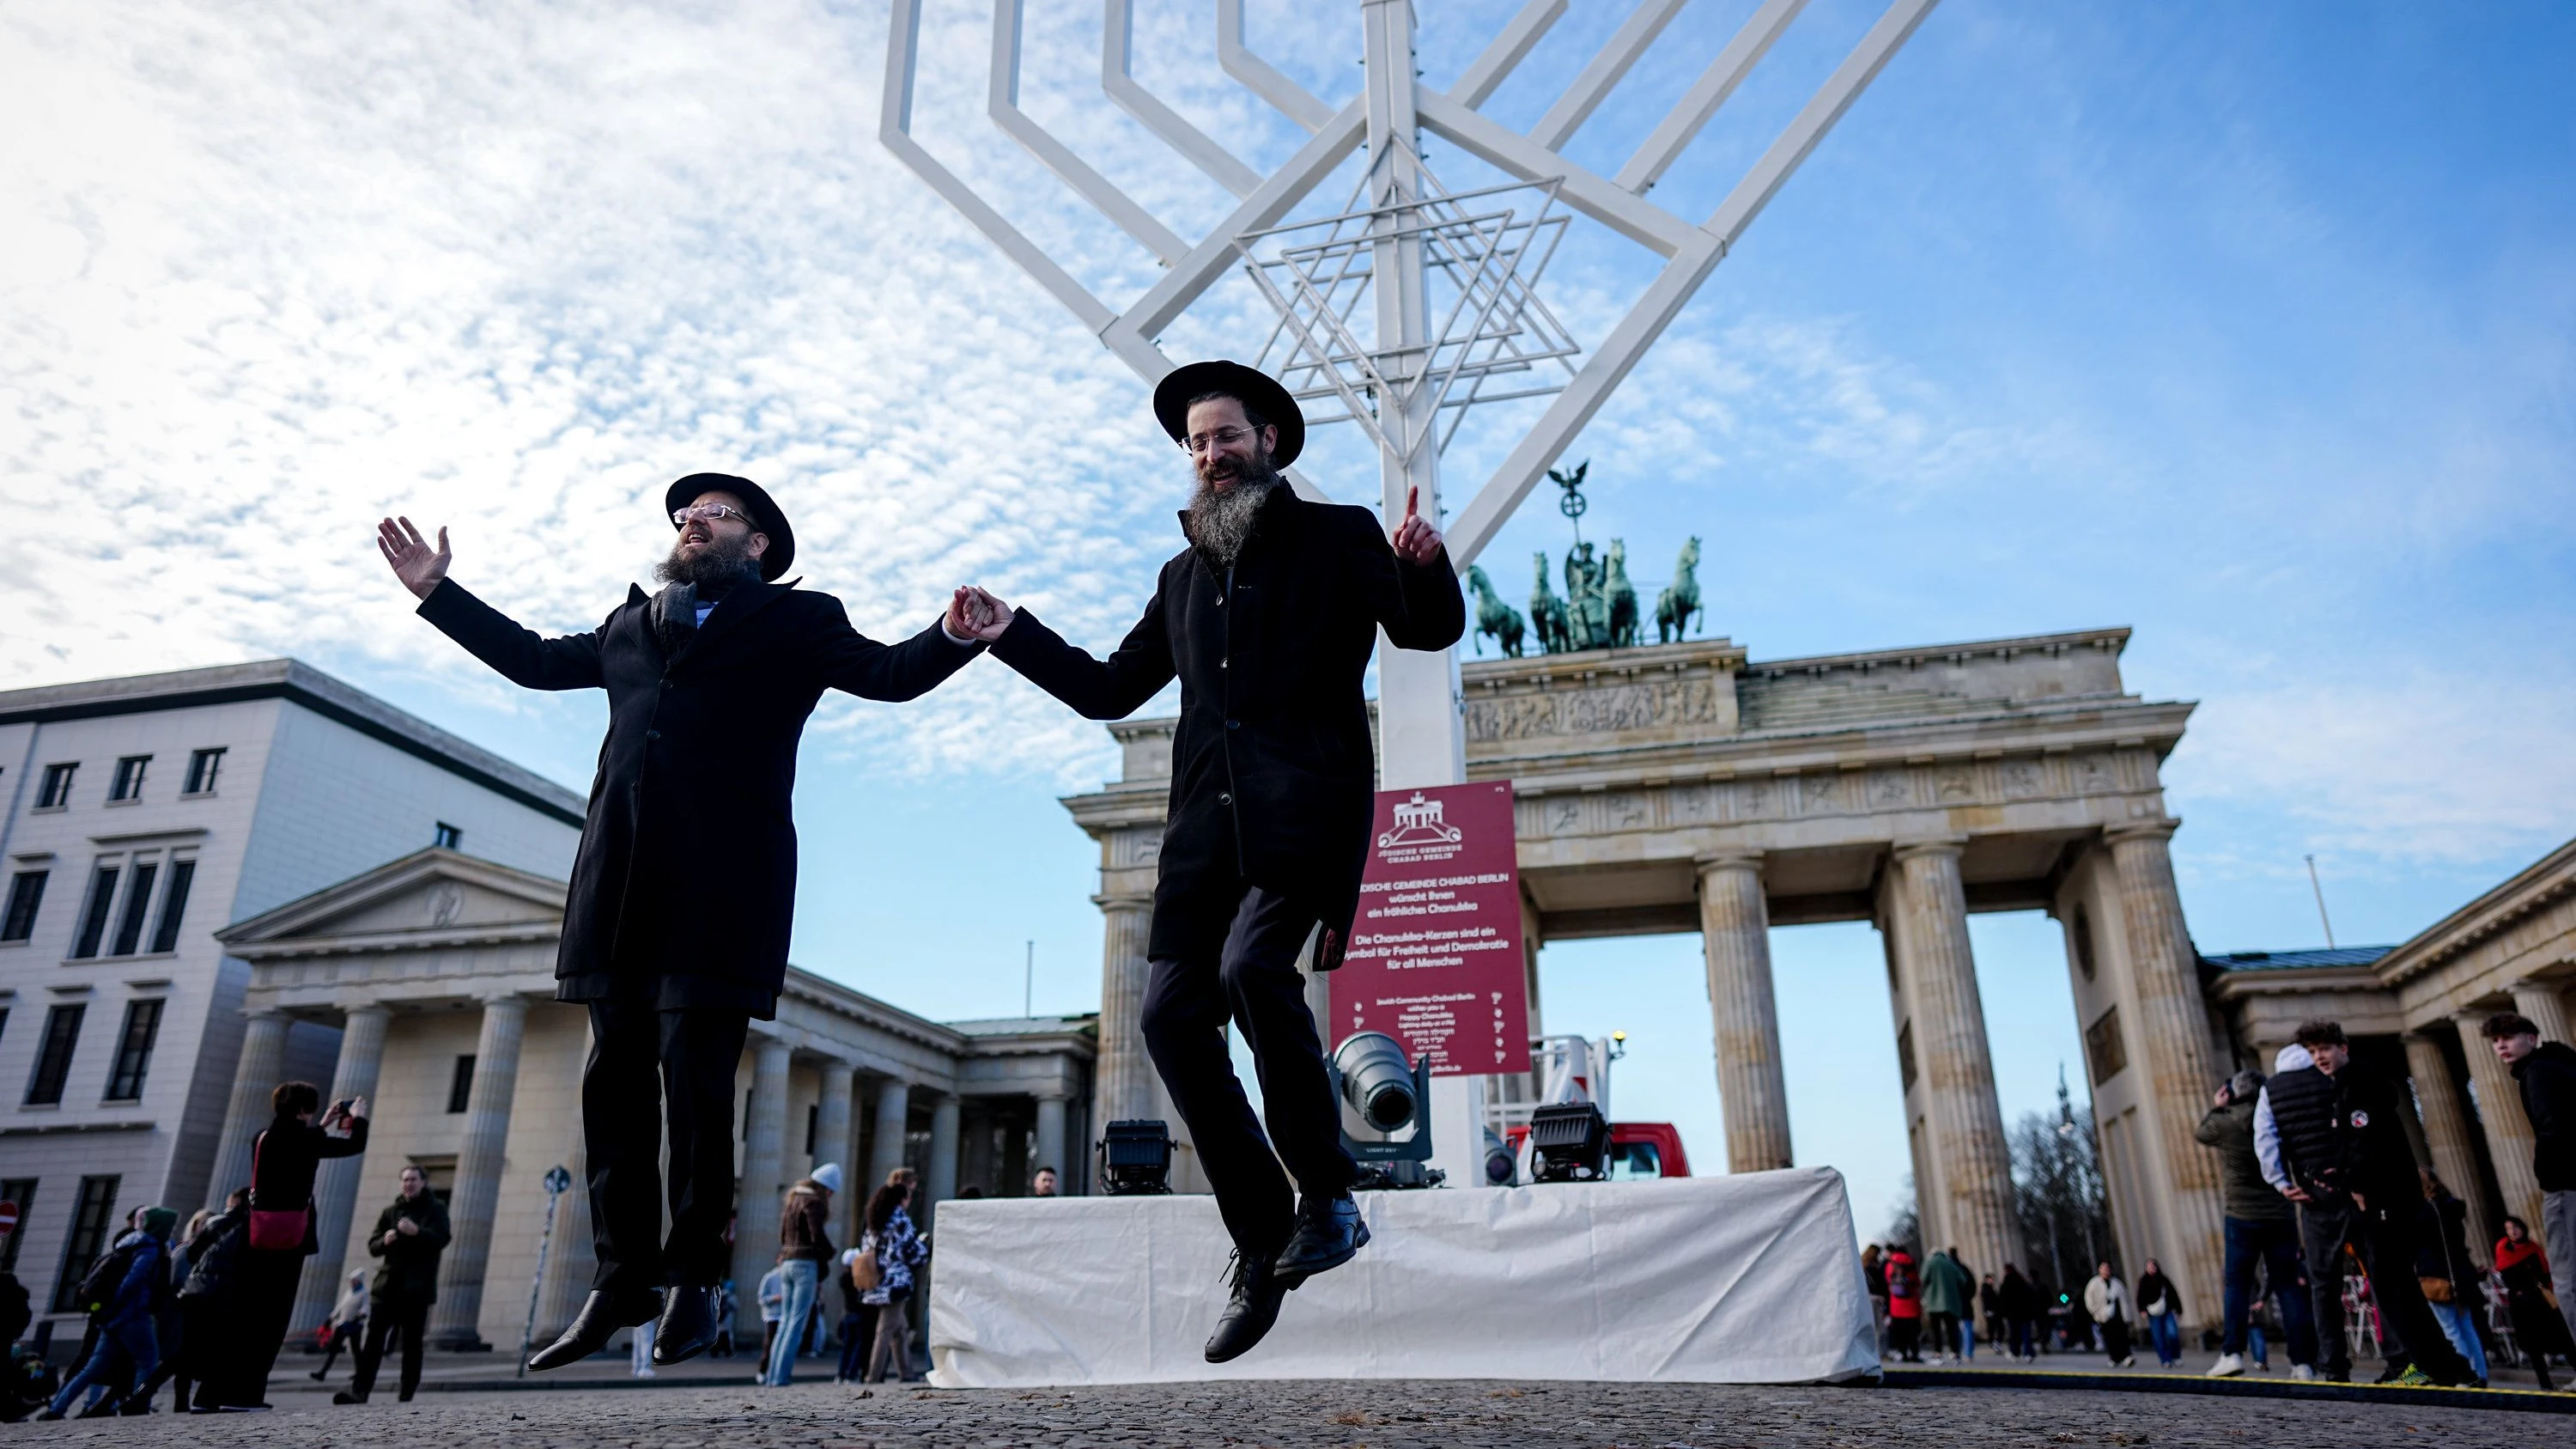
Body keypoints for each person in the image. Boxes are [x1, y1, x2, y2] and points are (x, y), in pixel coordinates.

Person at [380, 478, 985, 1372]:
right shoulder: (632, 625)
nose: (690, 523)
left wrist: (952, 639)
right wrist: (439, 592)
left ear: (759, 545)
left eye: (712, 515)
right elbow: (534, 659)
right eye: (683, 515)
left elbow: (888, 675)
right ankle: (622, 1277)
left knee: (697, 1081)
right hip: (617, 885)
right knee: (611, 1084)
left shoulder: (799, 621)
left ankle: (698, 1282)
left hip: (721, 887)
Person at [954, 360, 1463, 1363]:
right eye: (1195, 443)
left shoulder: (1339, 534)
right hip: (1202, 837)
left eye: (1225, 436)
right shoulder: (1181, 576)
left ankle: (1329, 1193)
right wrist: (1011, 635)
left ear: (1270, 439)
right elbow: (1108, 688)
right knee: (1167, 1015)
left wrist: (1423, 564)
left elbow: (1428, 629)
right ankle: (1265, 1231)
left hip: (1305, 814)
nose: (1209, 456)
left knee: (1252, 971)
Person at [2264, 1018, 2477, 1386]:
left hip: (2383, 1203)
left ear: (2343, 1048)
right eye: (2313, 1052)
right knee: (2396, 1289)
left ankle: (2429, 1366)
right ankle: (2443, 1366)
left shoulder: (2357, 1087)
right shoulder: (2343, 1087)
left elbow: (2366, 1148)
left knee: (2393, 1290)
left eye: (2325, 1050)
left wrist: (2349, 1182)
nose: (2320, 1058)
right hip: (2380, 1199)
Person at [208, 1083, 368, 1410]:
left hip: (256, 1236)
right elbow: (353, 1145)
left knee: (242, 1315)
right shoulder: (308, 1140)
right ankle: (247, 1394)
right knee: (272, 1318)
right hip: (288, 1237)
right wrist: (359, 1118)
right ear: (303, 1110)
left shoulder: (262, 1137)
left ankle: (211, 1394)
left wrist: (321, 1125)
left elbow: (296, 1142)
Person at [2198, 1066, 2318, 1379]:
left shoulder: (2225, 1123)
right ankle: (2302, 1362)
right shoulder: (2275, 1118)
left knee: (2237, 1287)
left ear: (2234, 1092)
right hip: (2280, 1213)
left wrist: (2218, 1105)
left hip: (2241, 1215)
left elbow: (2201, 1132)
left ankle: (2232, 1354)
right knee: (2288, 1287)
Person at [2484, 1010, 2576, 1352]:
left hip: (2565, 1183)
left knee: (2566, 1278)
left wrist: (2548, 1176)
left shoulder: (2537, 1073)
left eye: (2508, 1037)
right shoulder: (2563, 1066)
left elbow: (2552, 1129)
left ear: (2532, 1038)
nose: (2501, 1046)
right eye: (2495, 1041)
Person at [39, 1207, 176, 1419]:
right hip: (133, 1315)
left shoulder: (130, 1243)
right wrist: (121, 1305)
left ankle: (57, 1408)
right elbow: (133, 1280)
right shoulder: (150, 1248)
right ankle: (138, 1405)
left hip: (112, 1318)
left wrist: (110, 1310)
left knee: (93, 1367)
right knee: (148, 1361)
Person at [336, 1163, 449, 1405]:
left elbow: (442, 1239)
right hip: (387, 1286)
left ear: (423, 1182)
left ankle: (407, 1391)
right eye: (405, 1180)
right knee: (374, 1341)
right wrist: (384, 1241)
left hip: (416, 1288)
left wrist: (417, 1232)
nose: (409, 1184)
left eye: (413, 1180)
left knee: (411, 1343)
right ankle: (360, 1391)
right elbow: (373, 1245)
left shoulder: (436, 1209)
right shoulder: (391, 1211)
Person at [764, 1163, 840, 1386]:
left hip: (787, 1263)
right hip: (805, 1265)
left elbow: (782, 1235)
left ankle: (772, 1376)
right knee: (797, 1323)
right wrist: (830, 1252)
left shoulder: (793, 1200)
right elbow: (817, 1235)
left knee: (785, 1322)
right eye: (831, 1192)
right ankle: (782, 1378)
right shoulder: (813, 1202)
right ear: (826, 1189)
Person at [2413, 1172, 2488, 1384]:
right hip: (2461, 1274)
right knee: (2468, 1327)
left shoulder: (2425, 1212)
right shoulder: (2451, 1207)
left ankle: (2464, 1375)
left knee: (2450, 1330)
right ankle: (2480, 1374)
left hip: (2436, 1277)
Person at [860, 1179, 929, 1384]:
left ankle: (906, 1372)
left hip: (878, 1279)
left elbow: (866, 1247)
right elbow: (912, 1252)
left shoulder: (874, 1220)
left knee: (900, 1329)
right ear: (902, 1200)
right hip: (896, 1281)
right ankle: (873, 1375)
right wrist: (925, 1250)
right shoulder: (901, 1221)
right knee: (886, 1329)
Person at [2494, 1215, 2571, 1390]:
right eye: (2509, 1228)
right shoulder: (2503, 1248)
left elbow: (2544, 1271)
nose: (2513, 1231)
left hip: (2540, 1300)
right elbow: (2506, 1275)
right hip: (2521, 1304)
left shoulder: (2532, 1247)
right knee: (2533, 1345)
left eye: (2516, 1227)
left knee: (2561, 1338)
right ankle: (2545, 1382)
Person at [834, 1242, 880, 1385]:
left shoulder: (843, 1279)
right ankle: (851, 1374)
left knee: (847, 1346)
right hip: (859, 1315)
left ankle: (840, 1374)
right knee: (858, 1346)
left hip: (848, 1315)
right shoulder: (857, 1278)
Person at [309, 1271, 367, 1383]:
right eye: (351, 1281)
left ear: (359, 1281)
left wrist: (360, 1316)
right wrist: (331, 1318)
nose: (352, 1283)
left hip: (355, 1326)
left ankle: (360, 1373)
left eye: (354, 1281)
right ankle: (323, 1372)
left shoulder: (364, 1293)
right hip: (343, 1324)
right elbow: (340, 1306)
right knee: (333, 1349)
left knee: (356, 1351)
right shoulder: (349, 1292)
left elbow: (365, 1307)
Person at [1920, 1246, 1971, 1365]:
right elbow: (1963, 1280)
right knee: (1952, 1329)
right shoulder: (1950, 1264)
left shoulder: (1930, 1262)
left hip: (1933, 1303)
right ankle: (1955, 1354)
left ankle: (1938, 1354)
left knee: (1936, 1330)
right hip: (1951, 1303)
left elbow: (1922, 1279)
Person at [2083, 1263, 2135, 1367]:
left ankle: (2126, 1356)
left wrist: (2128, 1314)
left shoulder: (2116, 1283)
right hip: (2103, 1315)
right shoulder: (2094, 1284)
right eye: (2103, 1268)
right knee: (2110, 1337)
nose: (2106, 1270)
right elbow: (2089, 1299)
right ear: (2099, 1270)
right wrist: (2095, 1312)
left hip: (2118, 1315)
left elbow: (2125, 1299)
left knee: (2122, 1336)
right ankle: (2114, 1357)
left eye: (2108, 1268)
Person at [2133, 1258, 2182, 1368]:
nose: (2151, 1268)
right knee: (2158, 1337)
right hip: (2153, 1313)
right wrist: (2142, 1310)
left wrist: (2179, 1310)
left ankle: (2176, 1357)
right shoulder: (2144, 1281)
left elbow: (2173, 1294)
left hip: (2167, 1311)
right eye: (2149, 1266)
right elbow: (2140, 1297)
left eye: (2153, 1266)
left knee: (2172, 1334)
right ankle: (2165, 1359)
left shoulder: (2163, 1279)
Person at [1882, 1244, 1923, 1362]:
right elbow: (1917, 1282)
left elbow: (1887, 1281)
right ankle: (1914, 1353)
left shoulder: (1890, 1265)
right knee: (1913, 1332)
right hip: (1912, 1303)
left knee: (1900, 1331)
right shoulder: (1911, 1263)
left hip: (1896, 1304)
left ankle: (1903, 1353)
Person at [1997, 1263, 2041, 1361]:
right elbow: (2031, 1296)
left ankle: (2015, 1352)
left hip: (2012, 1314)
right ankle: (2028, 1353)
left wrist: (2003, 1313)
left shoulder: (2006, 1284)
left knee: (2014, 1334)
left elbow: (2002, 1300)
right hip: (2025, 1313)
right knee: (2026, 1334)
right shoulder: (2023, 1282)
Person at [752, 1264, 787, 1385]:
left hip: (785, 1315)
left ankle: (775, 1372)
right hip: (772, 1315)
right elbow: (761, 1298)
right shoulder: (770, 1277)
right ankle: (762, 1371)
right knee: (769, 1344)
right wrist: (774, 1298)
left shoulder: (789, 1277)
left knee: (782, 1346)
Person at [1860, 1245, 1888, 1356]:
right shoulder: (1872, 1267)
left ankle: (1876, 1352)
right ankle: (1881, 1352)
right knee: (1880, 1328)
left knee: (1875, 1327)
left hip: (1869, 1297)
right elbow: (1878, 1284)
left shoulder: (1863, 1265)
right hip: (1876, 1298)